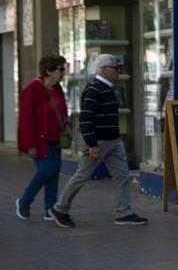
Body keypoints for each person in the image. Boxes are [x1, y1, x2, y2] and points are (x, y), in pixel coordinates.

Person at [49, 54, 148, 228]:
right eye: (115, 68)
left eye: (119, 68)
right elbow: (86, 118)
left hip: (114, 140)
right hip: (99, 142)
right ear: (103, 70)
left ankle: (124, 212)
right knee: (82, 176)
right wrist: (92, 144)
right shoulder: (93, 89)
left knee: (123, 176)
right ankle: (60, 209)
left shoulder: (108, 88)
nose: (118, 71)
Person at [15, 55, 68, 221]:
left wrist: (66, 125)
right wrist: (30, 144)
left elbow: (63, 110)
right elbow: (26, 118)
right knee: (46, 170)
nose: (63, 72)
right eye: (60, 69)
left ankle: (50, 208)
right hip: (39, 140)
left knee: (54, 173)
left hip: (55, 138)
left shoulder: (57, 88)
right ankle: (25, 201)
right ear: (49, 71)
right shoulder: (32, 89)